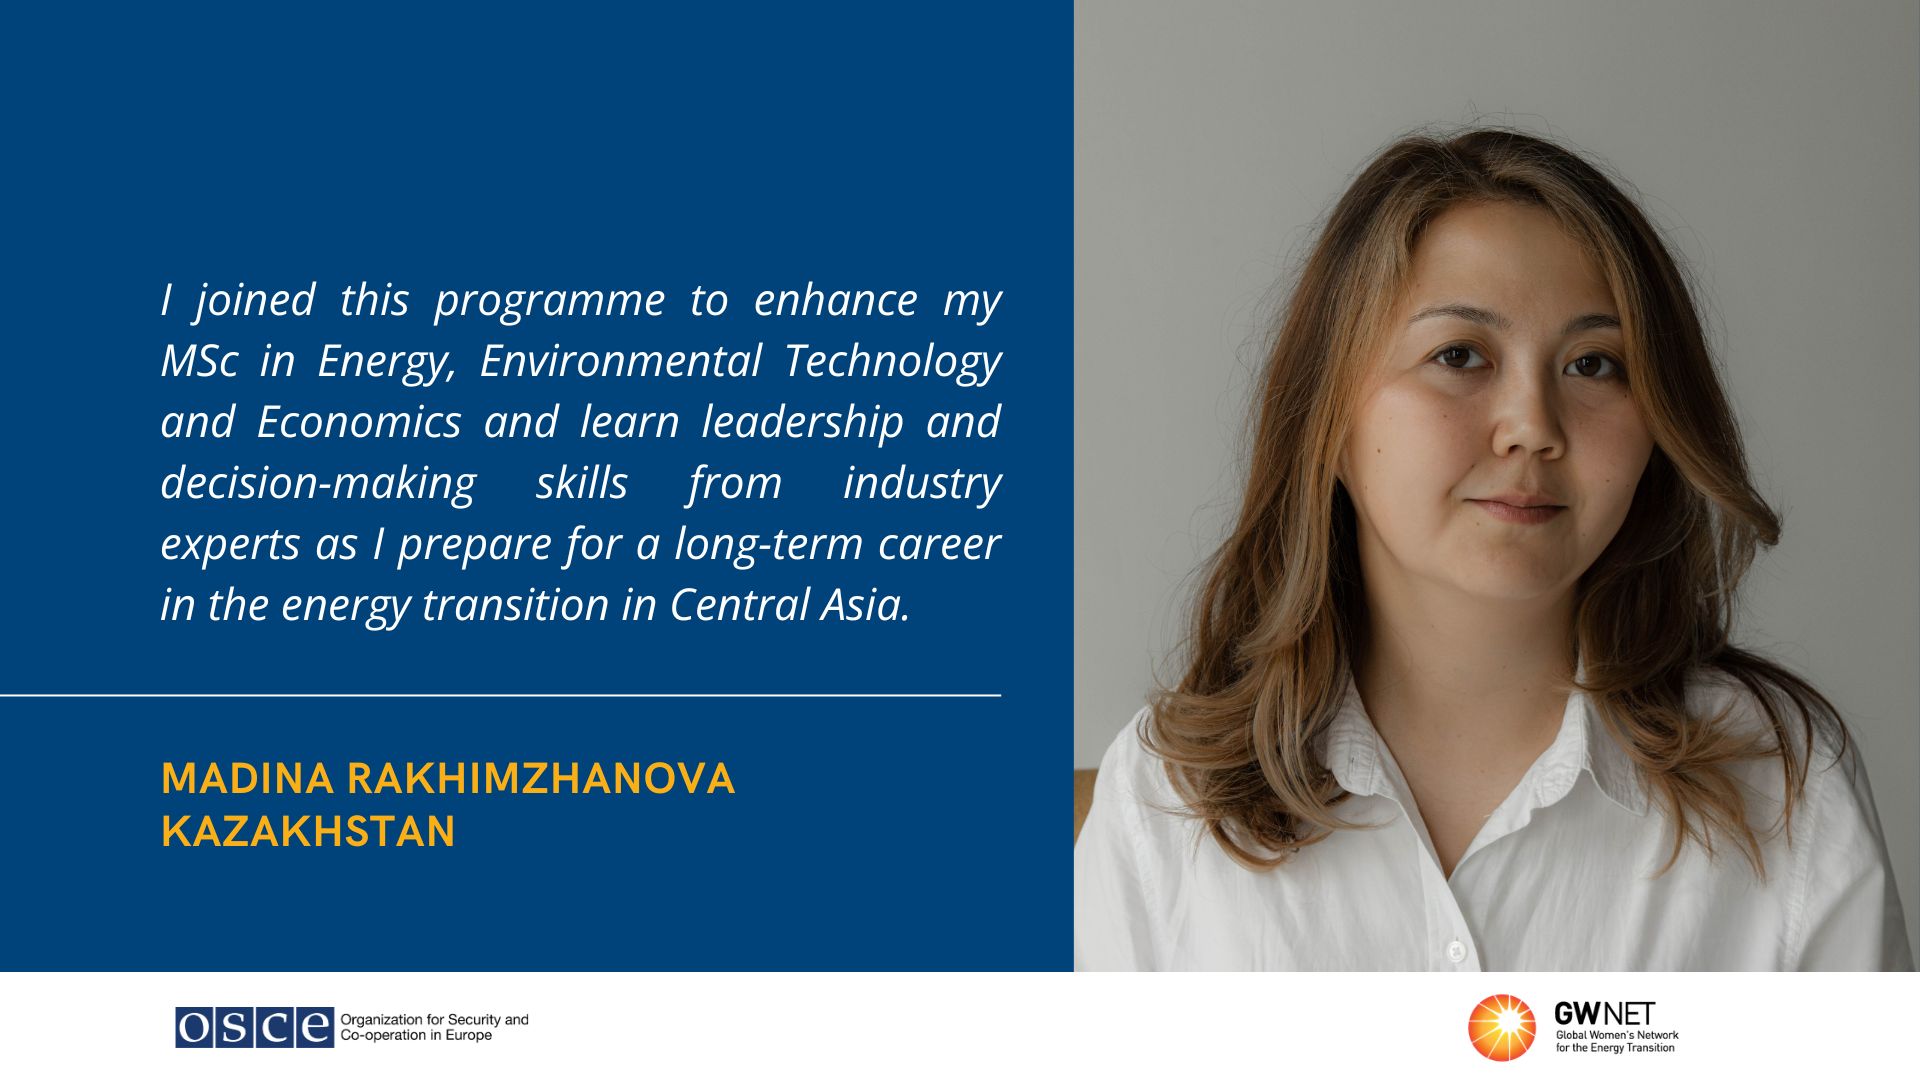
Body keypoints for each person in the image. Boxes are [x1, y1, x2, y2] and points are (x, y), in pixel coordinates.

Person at [1074, 128, 1913, 971]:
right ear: (1327, 418)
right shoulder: (1162, 800)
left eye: (1593, 365)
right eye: (1460, 355)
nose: (1533, 426)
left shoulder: (1784, 784)